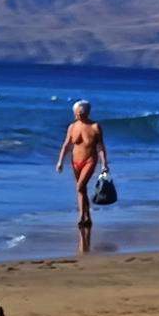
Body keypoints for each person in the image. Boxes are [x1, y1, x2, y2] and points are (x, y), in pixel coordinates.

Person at [54, 99, 109, 235]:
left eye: (79, 112)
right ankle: (87, 216)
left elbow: (100, 146)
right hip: (75, 161)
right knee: (81, 189)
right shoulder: (72, 127)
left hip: (89, 160)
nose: (77, 115)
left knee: (80, 187)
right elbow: (66, 145)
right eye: (76, 113)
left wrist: (104, 164)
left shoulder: (95, 127)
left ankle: (80, 216)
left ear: (86, 112)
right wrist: (60, 161)